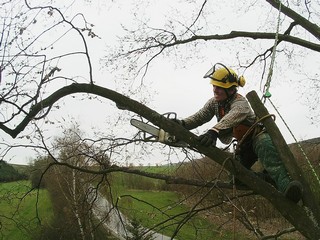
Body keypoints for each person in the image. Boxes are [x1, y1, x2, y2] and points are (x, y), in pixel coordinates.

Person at [174, 63, 303, 203]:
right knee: (236, 178)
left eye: (219, 88)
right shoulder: (214, 103)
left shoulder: (241, 103)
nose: (215, 90)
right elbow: (200, 116)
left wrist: (214, 131)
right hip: (244, 145)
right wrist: (183, 123)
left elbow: (232, 117)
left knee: (274, 163)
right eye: (214, 86)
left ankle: (288, 190)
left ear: (230, 89)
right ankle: (266, 180)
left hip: (258, 138)